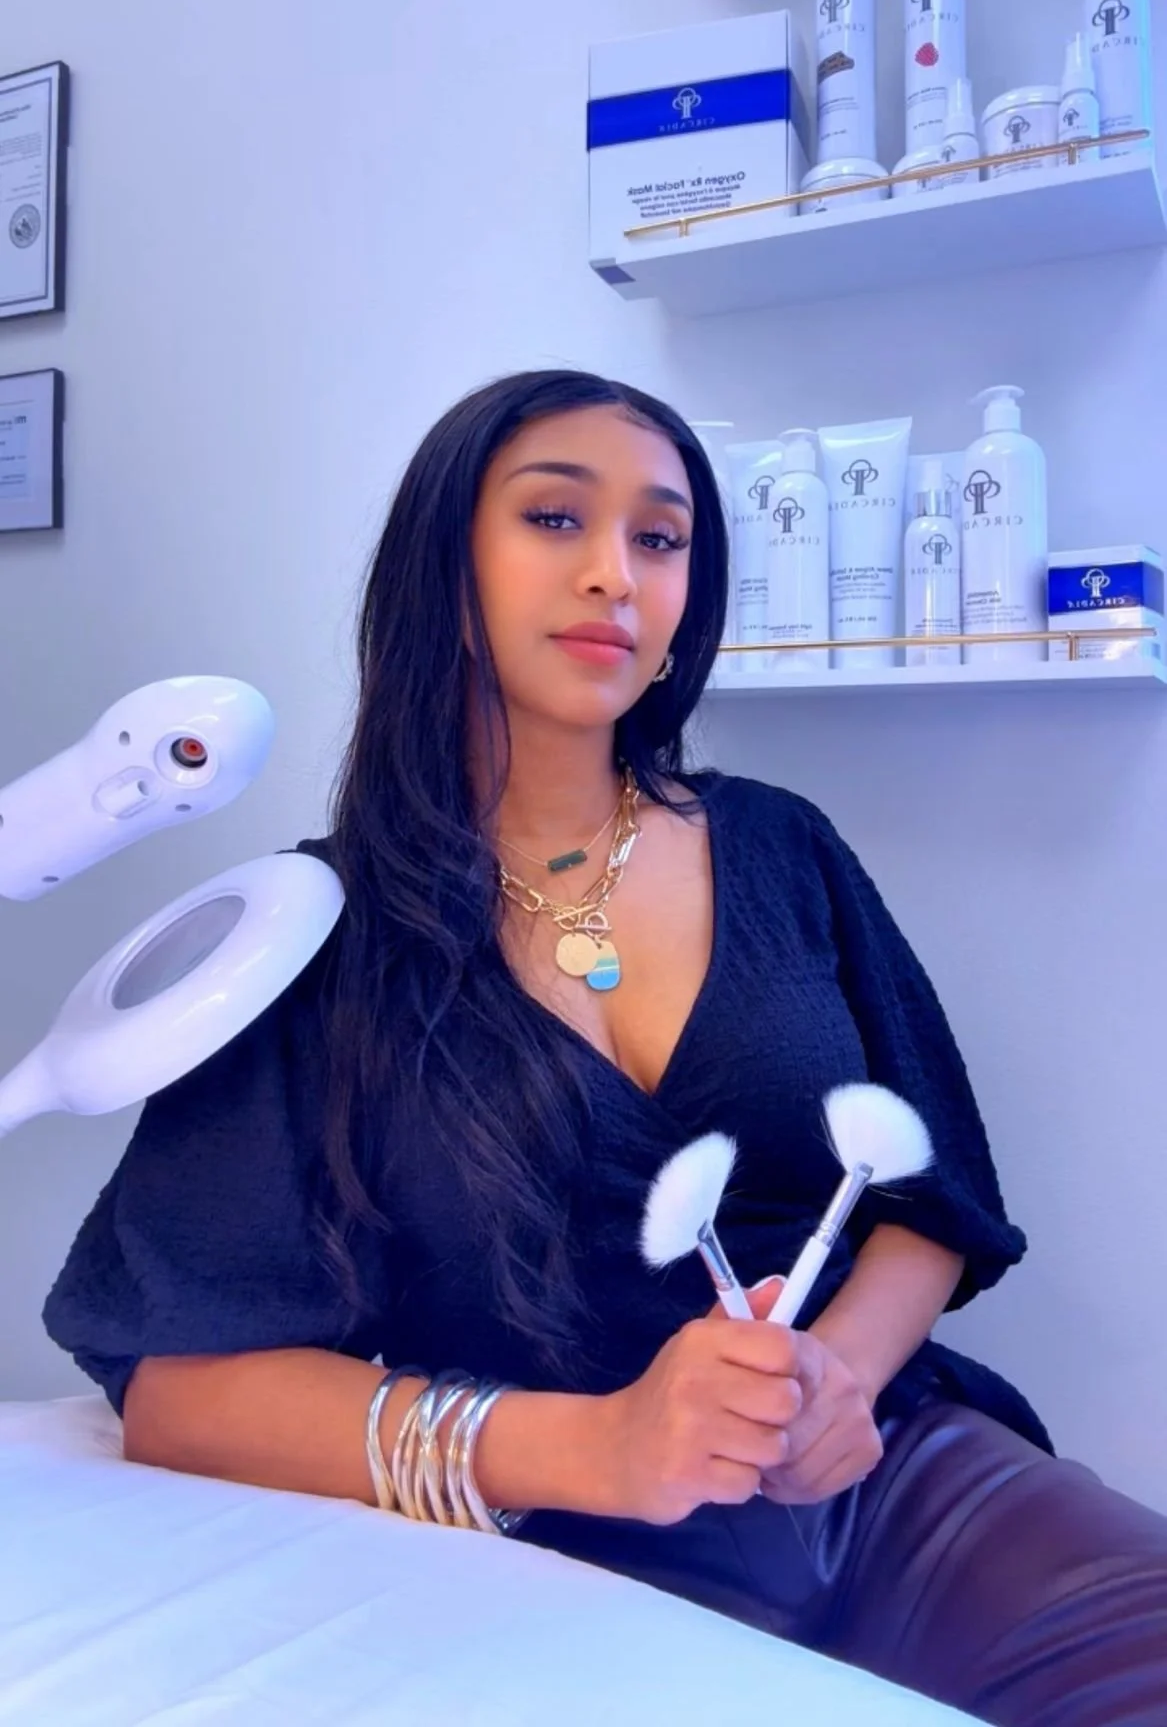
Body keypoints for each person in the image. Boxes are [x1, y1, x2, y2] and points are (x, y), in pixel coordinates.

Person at [45, 370, 1167, 1724]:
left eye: (660, 537)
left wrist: (838, 1382)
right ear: (443, 563)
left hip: (886, 1487)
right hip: (536, 1544)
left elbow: (929, 1199)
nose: (614, 576)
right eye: (554, 519)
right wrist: (598, 1445)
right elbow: (179, 1391)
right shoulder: (311, 934)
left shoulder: (780, 847)